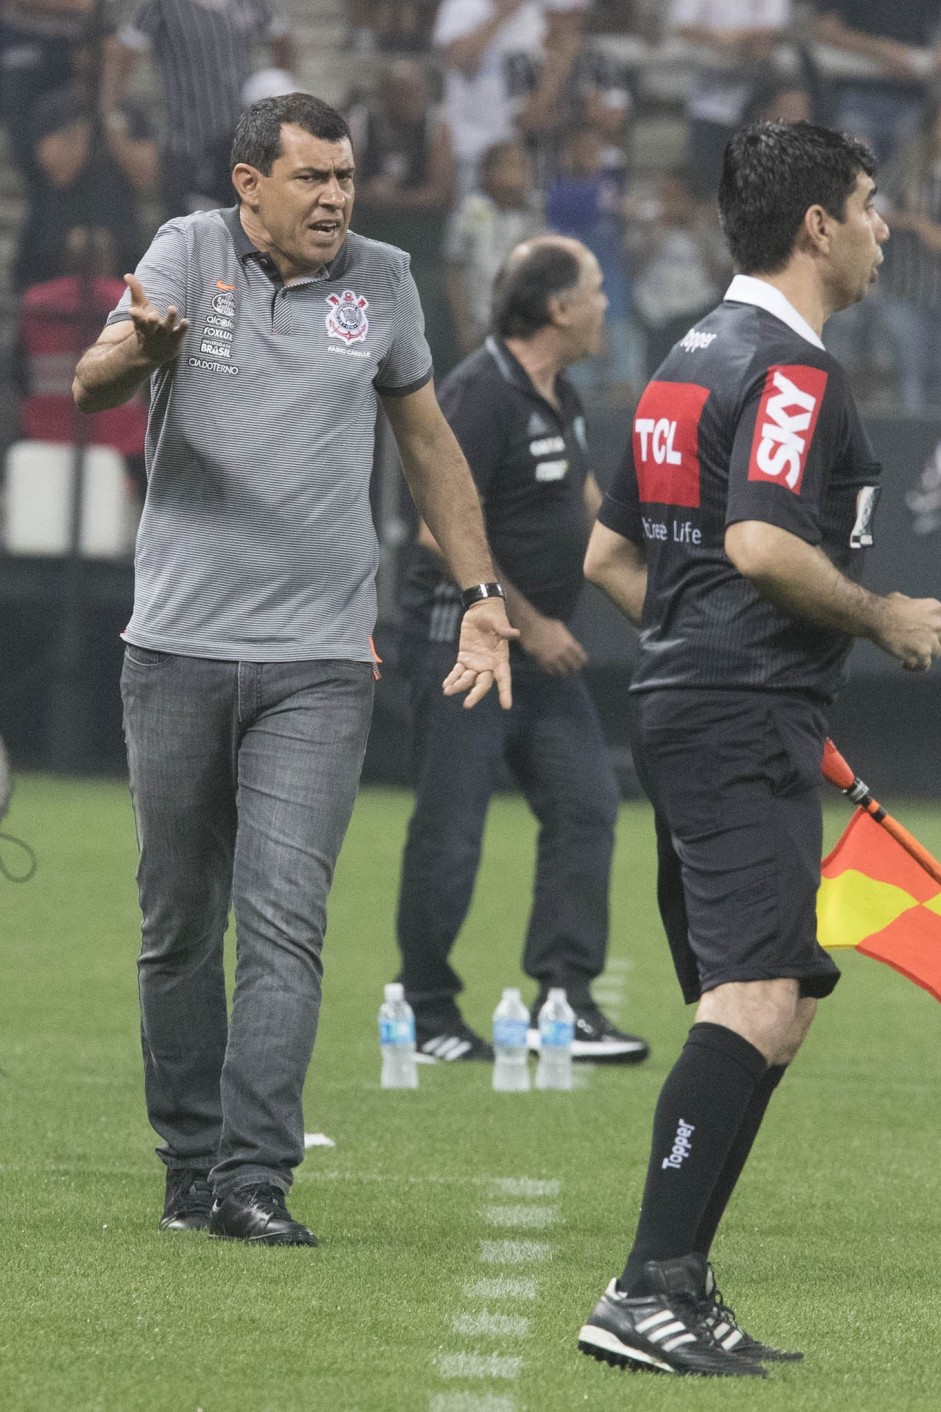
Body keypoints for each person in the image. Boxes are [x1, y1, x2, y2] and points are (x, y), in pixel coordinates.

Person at [71, 92, 516, 1246]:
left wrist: (481, 600)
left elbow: (428, 447)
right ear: (247, 183)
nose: (334, 198)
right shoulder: (187, 250)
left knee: (283, 922)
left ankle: (253, 1176)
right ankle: (187, 1157)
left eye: (345, 177)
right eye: (311, 178)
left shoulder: (382, 279)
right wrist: (140, 347)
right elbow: (90, 381)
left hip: (320, 655)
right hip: (174, 645)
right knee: (177, 921)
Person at [576, 120, 941, 1375]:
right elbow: (758, 545)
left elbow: (608, 557)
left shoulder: (684, 354)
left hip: (708, 707)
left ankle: (676, 1278)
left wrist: (698, 655)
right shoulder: (789, 370)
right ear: (815, 228)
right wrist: (882, 613)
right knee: (753, 1002)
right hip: (735, 720)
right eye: (867, 202)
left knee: (765, 1011)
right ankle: (640, 1289)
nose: (884, 224)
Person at [394, 235, 650, 1065]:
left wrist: (657, 592)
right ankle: (427, 1013)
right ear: (556, 307)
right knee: (453, 833)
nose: (607, 304)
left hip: (534, 658)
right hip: (463, 646)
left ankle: (566, 1004)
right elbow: (437, 528)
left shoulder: (559, 394)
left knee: (587, 807)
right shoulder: (480, 394)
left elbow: (586, 509)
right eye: (597, 289)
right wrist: (529, 622)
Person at [104, 0, 297, 216]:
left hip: (241, 147)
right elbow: (122, 54)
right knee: (189, 236)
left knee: (248, 234)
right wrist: (114, 118)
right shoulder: (161, 6)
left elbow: (283, 42)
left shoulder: (252, 4)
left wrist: (279, 92)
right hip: (186, 145)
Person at [13, 30, 158, 291]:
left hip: (121, 246)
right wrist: (95, 113)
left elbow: (145, 175)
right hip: (55, 246)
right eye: (106, 57)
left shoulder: (135, 115)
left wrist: (112, 118)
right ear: (83, 58)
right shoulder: (52, 108)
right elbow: (61, 171)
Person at [445, 139, 544, 356]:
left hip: (527, 327)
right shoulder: (470, 214)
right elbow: (454, 273)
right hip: (480, 325)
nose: (520, 172)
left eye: (524, 165)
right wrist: (463, 328)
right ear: (487, 172)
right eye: (510, 165)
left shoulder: (537, 213)